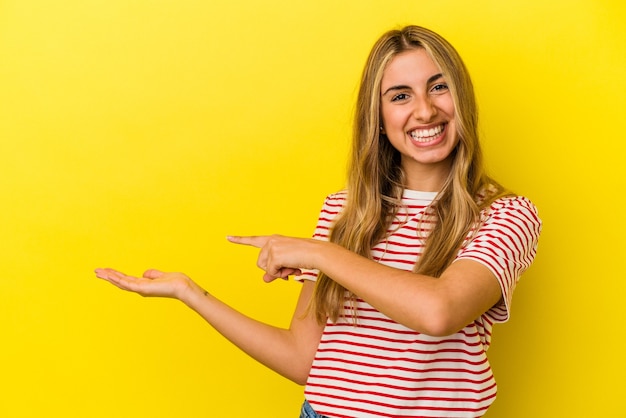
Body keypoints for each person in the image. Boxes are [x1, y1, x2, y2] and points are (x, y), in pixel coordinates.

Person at [95, 25, 541, 418]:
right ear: (380, 119)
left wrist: (320, 253)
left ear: (462, 99)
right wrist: (191, 293)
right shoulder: (344, 212)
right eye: (400, 96)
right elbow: (305, 360)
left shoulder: (505, 215)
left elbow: (439, 311)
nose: (424, 111)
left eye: (439, 87)